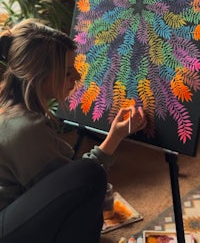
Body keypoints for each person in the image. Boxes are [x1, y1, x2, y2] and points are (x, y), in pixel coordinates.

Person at [0, 19, 147, 243]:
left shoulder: (11, 109)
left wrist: (114, 136)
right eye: (68, 72)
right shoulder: (25, 130)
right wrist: (113, 139)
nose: (78, 77)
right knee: (90, 175)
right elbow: (72, 189)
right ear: (38, 77)